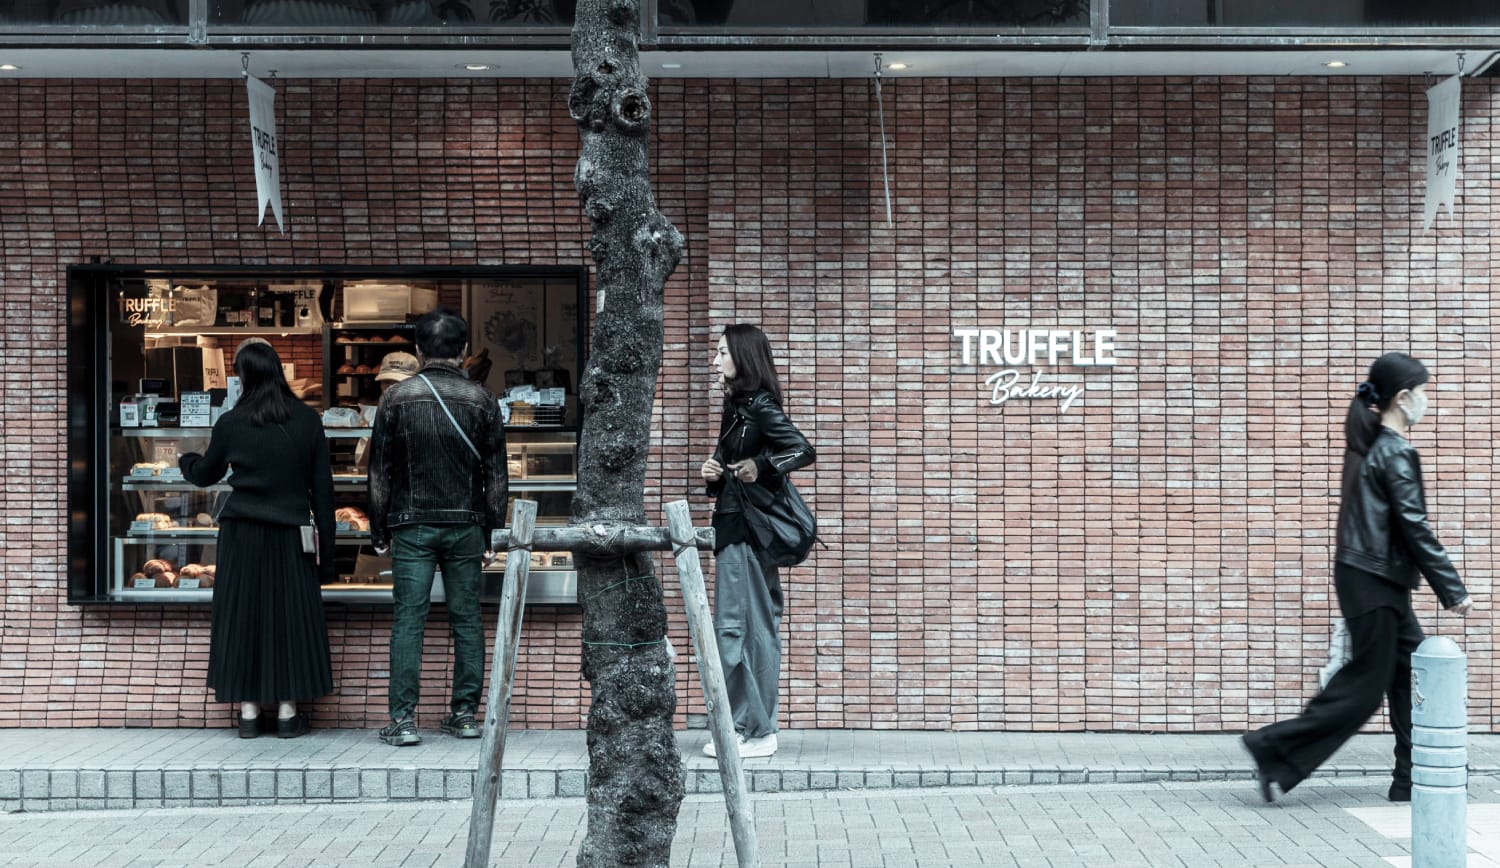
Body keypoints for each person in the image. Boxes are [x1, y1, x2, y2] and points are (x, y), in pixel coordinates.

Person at [1243, 352, 1473, 803]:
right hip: (1373, 580)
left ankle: (1410, 779)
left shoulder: (1370, 446)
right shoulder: (1395, 451)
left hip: (1371, 578)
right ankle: (1271, 746)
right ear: (1403, 398)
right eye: (1423, 392)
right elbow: (1415, 526)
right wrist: (1453, 589)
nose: (1427, 401)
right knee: (1365, 688)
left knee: (1410, 676)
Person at [179, 338, 335, 739]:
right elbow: (324, 491)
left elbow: (205, 474)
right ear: (278, 371)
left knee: (243, 617)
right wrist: (328, 558)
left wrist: (186, 459)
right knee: (289, 620)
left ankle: (248, 714)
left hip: (242, 536)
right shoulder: (307, 420)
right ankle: (287, 712)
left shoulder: (231, 422)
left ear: (243, 375)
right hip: (291, 536)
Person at [368, 307, 507, 747]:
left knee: (409, 620)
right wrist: (493, 531)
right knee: (467, 620)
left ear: (417, 350)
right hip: (466, 526)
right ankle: (464, 715)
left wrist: (378, 530)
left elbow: (379, 472)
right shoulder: (483, 400)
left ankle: (404, 722)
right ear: (463, 351)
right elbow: (497, 475)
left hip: (411, 526)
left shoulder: (395, 398)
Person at [699, 324, 815, 759]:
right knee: (746, 628)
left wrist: (759, 465)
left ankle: (756, 731)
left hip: (747, 534)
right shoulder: (735, 408)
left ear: (743, 359)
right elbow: (729, 471)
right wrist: (716, 475)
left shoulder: (759, 405)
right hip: (735, 528)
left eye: (722, 353)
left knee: (741, 630)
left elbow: (801, 449)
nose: (716, 361)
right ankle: (746, 727)